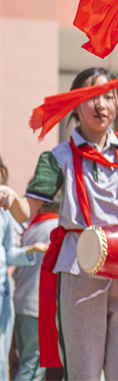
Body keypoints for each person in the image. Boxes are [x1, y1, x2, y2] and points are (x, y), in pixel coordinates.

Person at [0, 68, 118, 381]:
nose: (101, 105)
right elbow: (26, 212)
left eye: (109, 96)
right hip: (81, 265)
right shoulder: (58, 157)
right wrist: (10, 197)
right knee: (84, 372)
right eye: (91, 98)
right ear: (76, 106)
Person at [0, 158, 50, 381]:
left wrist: (31, 250)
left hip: (5, 296)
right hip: (25, 304)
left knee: (3, 360)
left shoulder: (5, 213)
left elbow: (8, 254)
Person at [11, 197, 58, 381]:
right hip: (37, 306)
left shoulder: (33, 228)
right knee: (32, 366)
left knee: (26, 362)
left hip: (22, 302)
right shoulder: (55, 226)